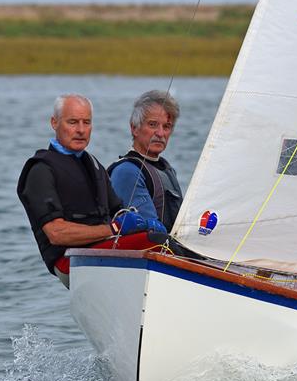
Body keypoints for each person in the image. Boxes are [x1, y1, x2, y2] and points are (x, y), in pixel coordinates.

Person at [17, 94, 161, 288]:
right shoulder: (40, 170)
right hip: (71, 261)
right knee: (156, 242)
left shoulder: (94, 166)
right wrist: (114, 229)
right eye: (73, 122)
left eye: (87, 122)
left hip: (103, 250)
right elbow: (56, 233)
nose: (81, 130)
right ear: (54, 122)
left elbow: (118, 211)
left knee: (164, 239)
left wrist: (143, 224)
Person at [108, 90, 184, 231]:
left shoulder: (167, 170)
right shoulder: (127, 172)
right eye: (153, 125)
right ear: (134, 128)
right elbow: (149, 232)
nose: (160, 133)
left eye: (166, 126)